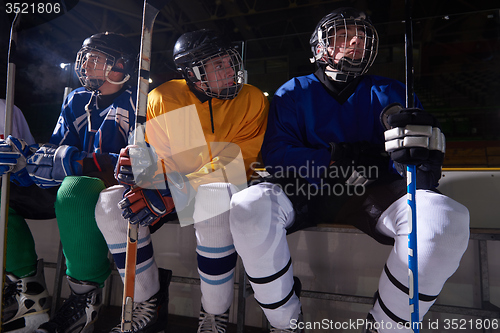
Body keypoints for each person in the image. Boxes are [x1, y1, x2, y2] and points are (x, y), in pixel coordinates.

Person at [228, 7, 470, 333]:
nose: (355, 39)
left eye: (361, 35)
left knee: (446, 220)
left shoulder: (395, 92)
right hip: (306, 190)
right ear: (319, 47)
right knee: (247, 206)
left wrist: (418, 163)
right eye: (343, 35)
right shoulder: (292, 92)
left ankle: (386, 326)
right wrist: (333, 160)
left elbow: (417, 163)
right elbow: (276, 154)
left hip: (372, 193)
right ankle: (285, 323)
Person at [94, 29, 269, 333]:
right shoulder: (163, 97)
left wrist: (178, 190)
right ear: (193, 74)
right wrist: (138, 169)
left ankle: (214, 315)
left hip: (223, 190)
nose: (230, 70)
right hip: (177, 190)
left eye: (230, 62)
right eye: (219, 65)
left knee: (215, 197)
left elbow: (238, 162)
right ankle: (147, 302)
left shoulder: (252, 98)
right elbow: (167, 161)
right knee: (109, 202)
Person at [0, 32, 173, 333]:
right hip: (77, 184)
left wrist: (73, 162)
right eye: (85, 56)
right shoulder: (75, 99)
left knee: (74, 188)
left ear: (121, 66)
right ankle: (28, 291)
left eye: (98, 57)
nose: (86, 62)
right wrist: (23, 159)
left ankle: (84, 299)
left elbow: (134, 164)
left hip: (108, 191)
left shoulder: (141, 100)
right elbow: (57, 152)